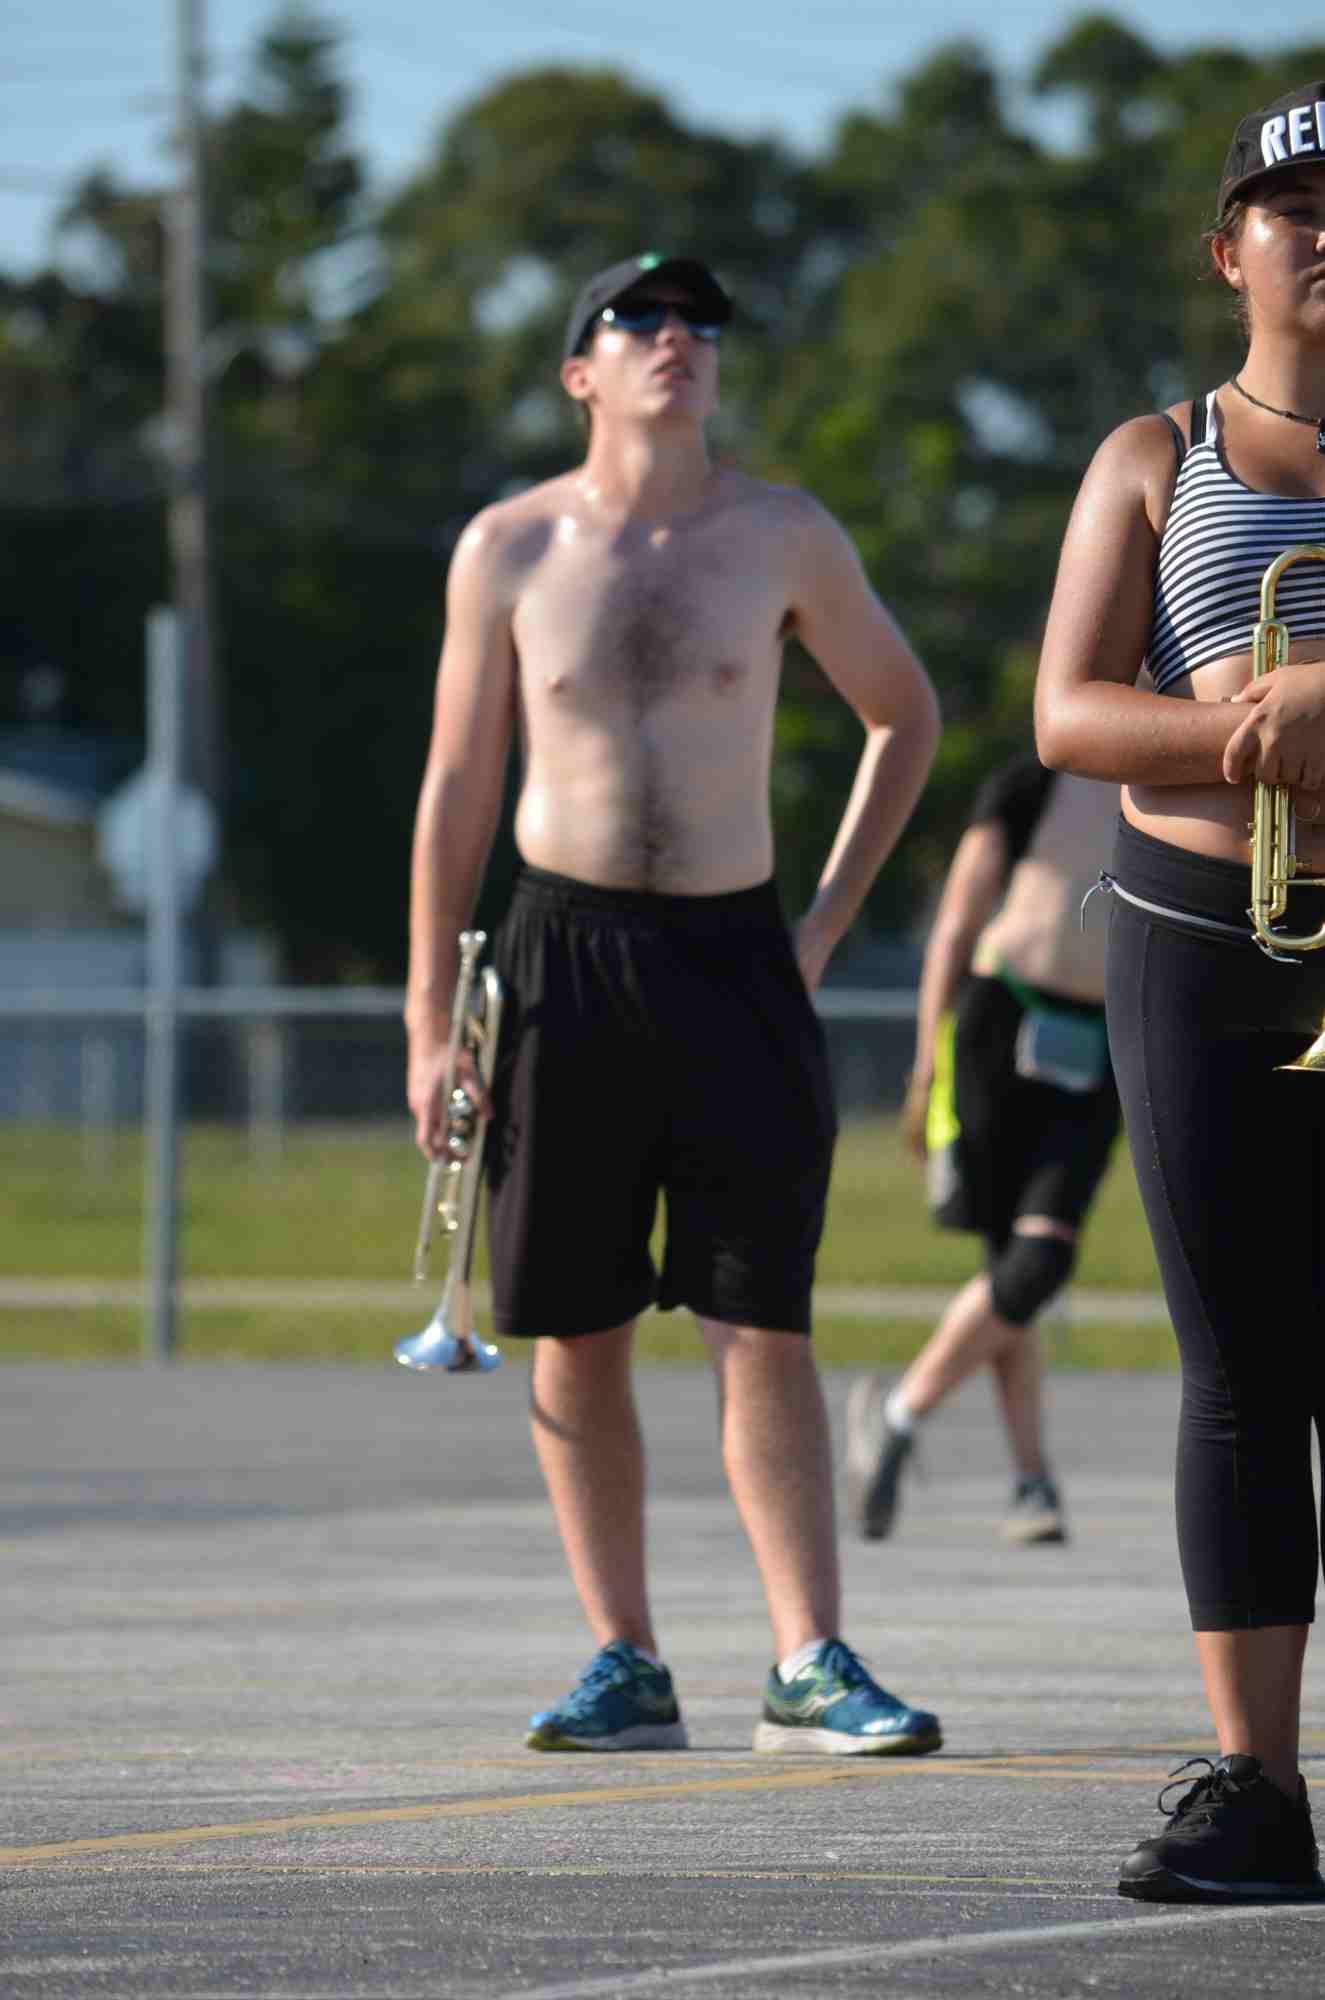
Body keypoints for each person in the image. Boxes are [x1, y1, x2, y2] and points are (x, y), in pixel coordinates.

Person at [405, 252, 943, 1757]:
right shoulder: (508, 547)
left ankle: (809, 1657)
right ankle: (624, 1657)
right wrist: (427, 1019)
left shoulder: (782, 534)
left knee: (758, 1315)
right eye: (637, 320)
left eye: (699, 321)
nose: (675, 340)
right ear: (579, 370)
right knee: (573, 1326)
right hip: (557, 959)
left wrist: (819, 926)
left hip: (732, 953)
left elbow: (904, 713)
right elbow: (456, 785)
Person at [1035, 81, 1325, 1904]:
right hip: (1207, 940)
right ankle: (1258, 1794)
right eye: (1300, 208)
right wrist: (1257, 730)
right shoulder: (1156, 452)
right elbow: (1066, 714)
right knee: (1241, 1374)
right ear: (1231, 252)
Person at [845, 755, 1121, 1549]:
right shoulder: (1028, 784)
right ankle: (1031, 1484)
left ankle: (897, 1414)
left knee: (1035, 1262)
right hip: (1000, 1024)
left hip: (1100, 1042)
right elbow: (956, 923)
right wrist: (924, 1059)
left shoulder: (1172, 784)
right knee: (1011, 1266)